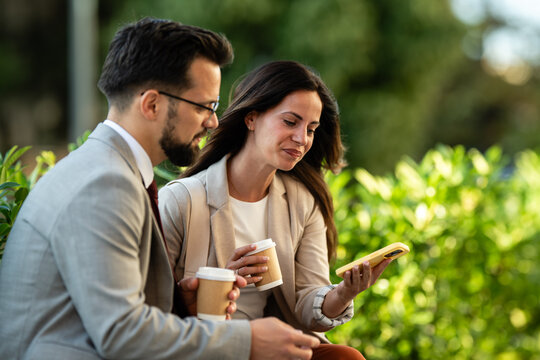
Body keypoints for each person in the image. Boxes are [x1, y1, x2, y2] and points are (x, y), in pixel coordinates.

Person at [0, 19, 319, 360]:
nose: (212, 121)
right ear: (152, 104)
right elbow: (121, 334)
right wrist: (246, 341)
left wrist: (180, 307)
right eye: (204, 107)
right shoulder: (104, 185)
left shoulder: (109, 170)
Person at [158, 60, 392, 359]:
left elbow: (308, 304)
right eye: (290, 122)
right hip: (208, 346)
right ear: (251, 118)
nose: (302, 139)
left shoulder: (302, 202)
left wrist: (344, 293)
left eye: (311, 128)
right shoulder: (181, 200)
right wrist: (223, 279)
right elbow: (152, 304)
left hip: (275, 348)